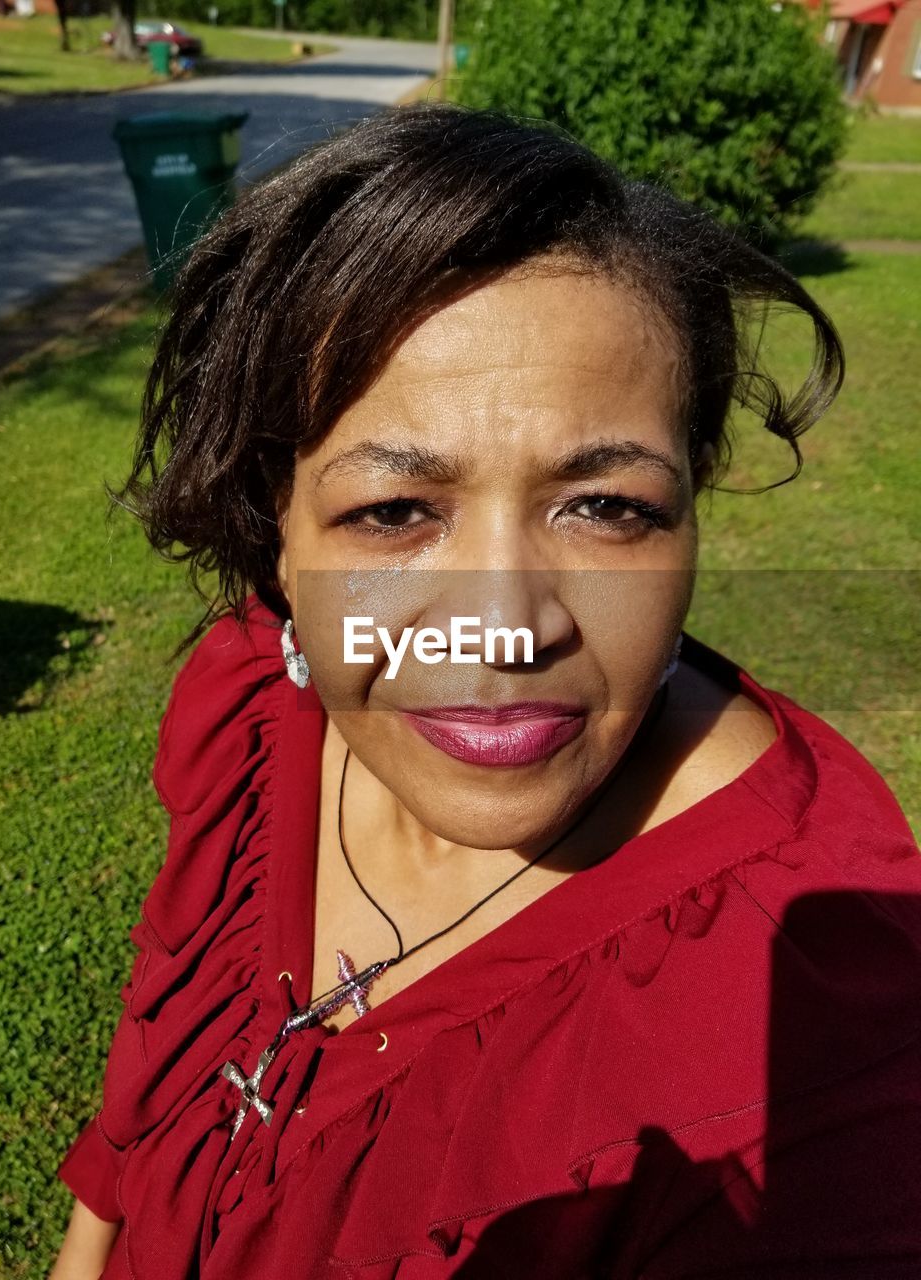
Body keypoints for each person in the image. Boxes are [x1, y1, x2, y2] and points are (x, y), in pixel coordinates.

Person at [49, 103, 921, 1279]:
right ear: (277, 533)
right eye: (395, 512)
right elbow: (143, 1102)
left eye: (606, 506)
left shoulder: (816, 1016)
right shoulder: (252, 706)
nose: (502, 628)